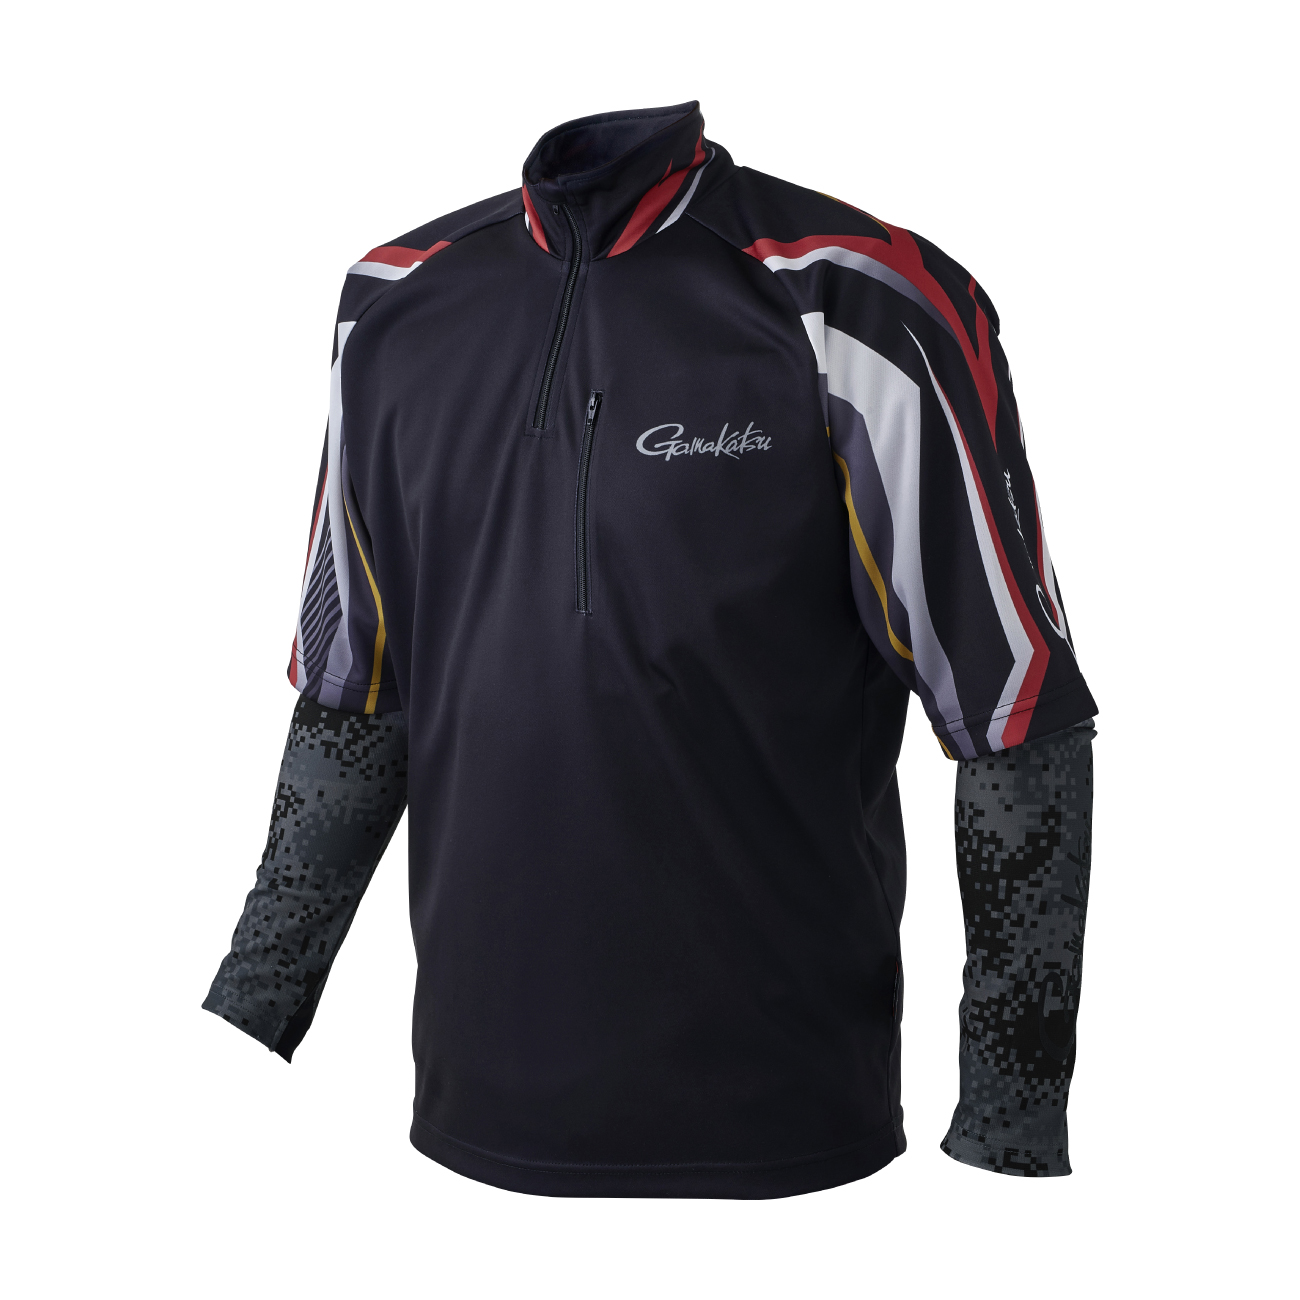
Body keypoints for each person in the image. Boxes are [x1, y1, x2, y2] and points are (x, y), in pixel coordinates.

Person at [205, 101, 1098, 1198]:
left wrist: (1009, 1128)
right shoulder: (390, 301)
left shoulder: (860, 300)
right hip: (467, 1123)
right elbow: (358, 697)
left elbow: (1016, 716)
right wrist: (245, 1020)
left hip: (788, 1129)